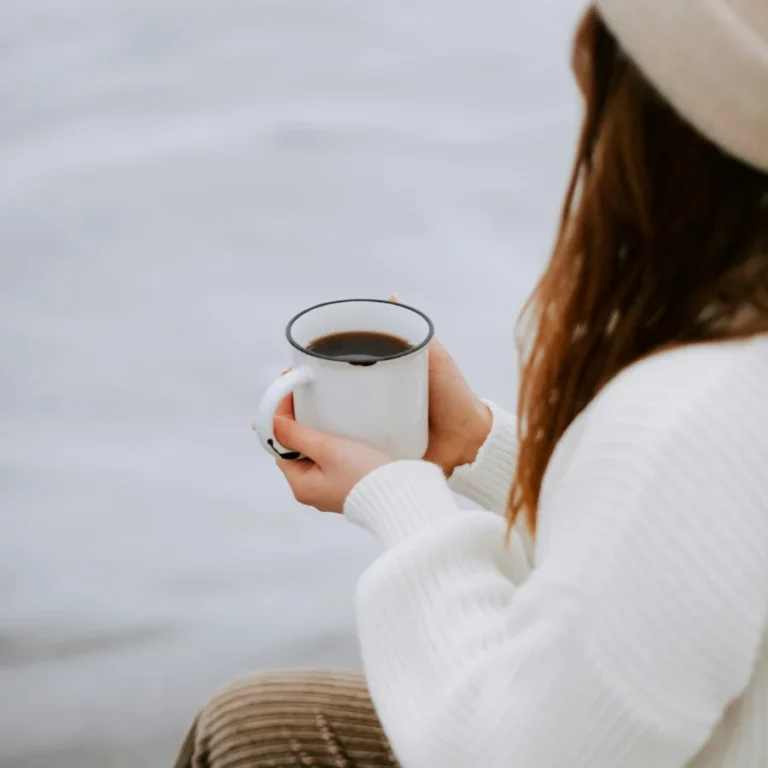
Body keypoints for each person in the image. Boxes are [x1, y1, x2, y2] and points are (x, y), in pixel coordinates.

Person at [175, 0, 768, 765]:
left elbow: (500, 751)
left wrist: (400, 502)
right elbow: (662, 579)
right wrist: (480, 449)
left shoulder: (687, 418)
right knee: (256, 720)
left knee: (253, 736)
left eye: (602, 39)